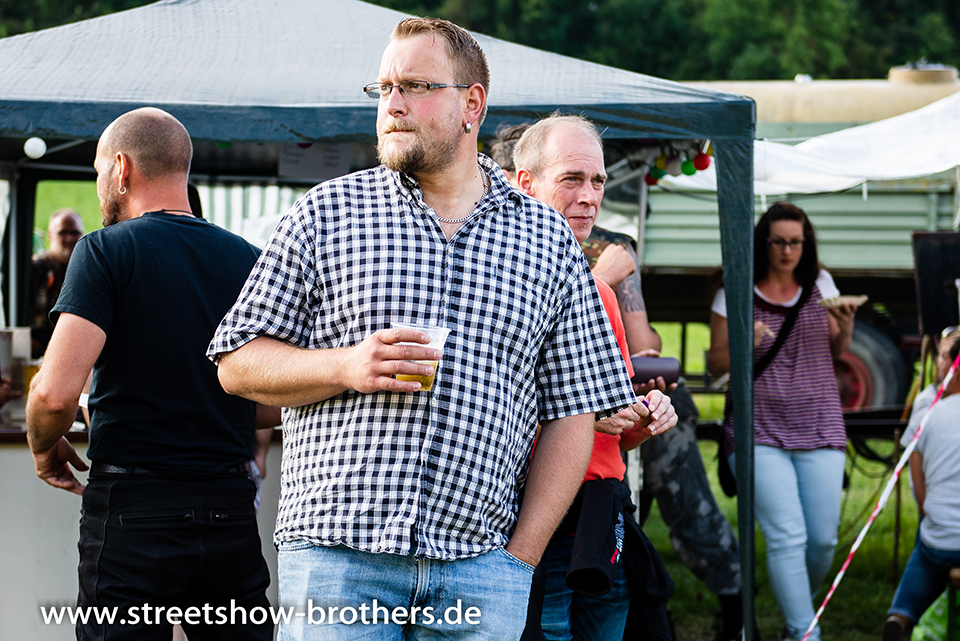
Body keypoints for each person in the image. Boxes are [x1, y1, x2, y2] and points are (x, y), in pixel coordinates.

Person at [207, 17, 639, 641]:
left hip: (480, 567)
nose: (393, 104)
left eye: (414, 86)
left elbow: (573, 413)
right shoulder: (326, 212)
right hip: (338, 561)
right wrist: (344, 365)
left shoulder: (546, 239)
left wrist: (519, 559)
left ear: (472, 104)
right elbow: (237, 362)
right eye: (383, 88)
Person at [26, 107, 273, 641]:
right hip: (229, 510)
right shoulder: (250, 260)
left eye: (98, 170)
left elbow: (53, 396)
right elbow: (272, 400)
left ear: (121, 168)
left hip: (134, 509)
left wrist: (44, 448)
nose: (99, 184)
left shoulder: (104, 251)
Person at [513, 113, 678, 640]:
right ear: (526, 183)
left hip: (603, 511)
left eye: (598, 181)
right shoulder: (499, 283)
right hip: (534, 510)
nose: (589, 197)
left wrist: (645, 419)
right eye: (571, 179)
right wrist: (582, 413)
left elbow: (612, 435)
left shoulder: (601, 294)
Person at [580, 226, 746, 641]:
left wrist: (641, 364)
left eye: (596, 191)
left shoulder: (610, 245)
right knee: (622, 524)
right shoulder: (522, 237)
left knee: (688, 507)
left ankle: (735, 605)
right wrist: (601, 279)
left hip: (638, 408)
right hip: (582, 421)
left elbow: (643, 342)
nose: (585, 199)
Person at [706, 202, 858, 641]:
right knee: (787, 536)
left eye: (795, 242)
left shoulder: (821, 284)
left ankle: (796, 612)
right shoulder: (736, 290)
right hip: (757, 429)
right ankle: (804, 632)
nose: (787, 251)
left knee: (822, 541)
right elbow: (715, 366)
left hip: (820, 424)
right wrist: (744, 339)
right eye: (778, 242)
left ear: (806, 244)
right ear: (763, 243)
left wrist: (846, 326)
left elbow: (837, 351)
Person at [882, 337, 960, 640]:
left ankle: (901, 615)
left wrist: (937, 517)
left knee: (929, 550)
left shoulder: (928, 414)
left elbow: (919, 489)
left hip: (938, 538)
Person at [30, 208, 84, 358]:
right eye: (62, 232)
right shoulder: (35, 269)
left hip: (71, 346)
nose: (69, 238)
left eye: (75, 233)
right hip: (36, 345)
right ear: (50, 235)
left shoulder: (85, 270)